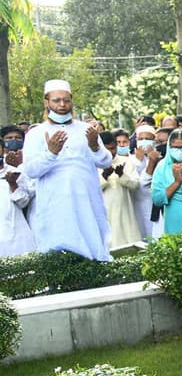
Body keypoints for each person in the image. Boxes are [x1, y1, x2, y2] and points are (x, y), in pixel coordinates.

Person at [22, 79, 112, 260]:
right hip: (55, 204)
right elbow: (31, 170)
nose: (62, 105)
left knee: (93, 247)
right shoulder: (36, 133)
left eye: (66, 100)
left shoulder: (86, 129)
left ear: (71, 101)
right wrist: (51, 153)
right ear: (46, 102)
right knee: (57, 251)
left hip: (87, 201)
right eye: (56, 100)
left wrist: (95, 146)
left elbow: (105, 162)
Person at [101, 129, 141, 248]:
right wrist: (104, 177)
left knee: (127, 244)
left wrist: (122, 175)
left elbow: (135, 185)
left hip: (125, 212)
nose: (110, 152)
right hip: (103, 213)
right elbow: (88, 190)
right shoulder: (92, 164)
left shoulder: (126, 162)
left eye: (112, 148)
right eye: (106, 149)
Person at [0, 126, 34, 256]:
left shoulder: (15, 172)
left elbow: (23, 202)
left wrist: (13, 184)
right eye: (10, 138)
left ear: (3, 150)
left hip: (17, 237)